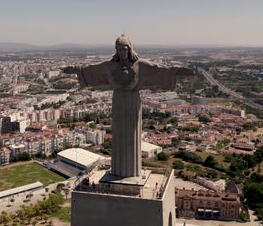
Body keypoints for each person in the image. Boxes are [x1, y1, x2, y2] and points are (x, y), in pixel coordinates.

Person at [63, 35, 194, 178]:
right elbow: (92, 69)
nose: (122, 51)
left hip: (133, 101)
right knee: (119, 132)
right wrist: (76, 70)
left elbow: (160, 69)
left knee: (132, 132)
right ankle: (119, 173)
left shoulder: (140, 64)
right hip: (118, 101)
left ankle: (131, 174)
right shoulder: (110, 66)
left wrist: (177, 71)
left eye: (124, 48)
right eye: (119, 49)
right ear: (116, 50)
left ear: (130, 49)